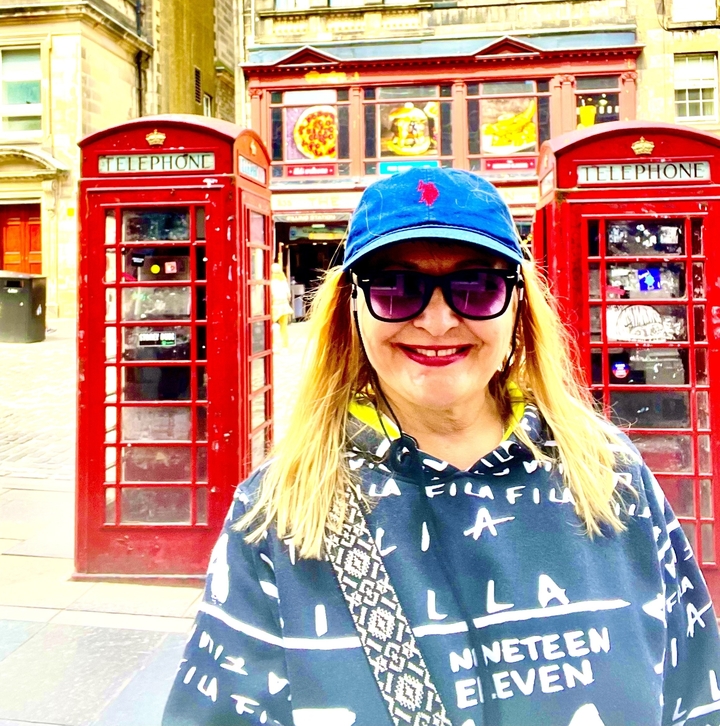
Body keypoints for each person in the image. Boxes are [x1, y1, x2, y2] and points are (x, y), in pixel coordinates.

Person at [163, 167, 720, 726]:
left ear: (518, 308)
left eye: (476, 286)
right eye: (394, 286)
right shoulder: (277, 511)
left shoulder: (612, 473)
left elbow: (698, 691)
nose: (436, 320)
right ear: (350, 309)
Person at [271, 262, 293, 348]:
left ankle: (271, 344)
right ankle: (285, 345)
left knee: (269, 326)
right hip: (284, 306)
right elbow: (289, 296)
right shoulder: (284, 281)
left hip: (274, 306)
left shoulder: (271, 282)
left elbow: (270, 294)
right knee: (283, 327)